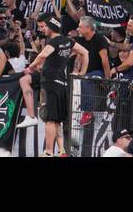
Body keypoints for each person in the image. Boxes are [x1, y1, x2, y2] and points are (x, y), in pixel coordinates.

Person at [23, 15, 87, 156]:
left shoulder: (54, 42)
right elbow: (85, 52)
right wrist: (82, 72)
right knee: (56, 120)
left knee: (50, 120)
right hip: (62, 84)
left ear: (51, 26)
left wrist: (31, 68)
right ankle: (61, 150)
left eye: (43, 26)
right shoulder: (68, 41)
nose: (41, 30)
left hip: (50, 83)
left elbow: (42, 55)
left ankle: (48, 152)